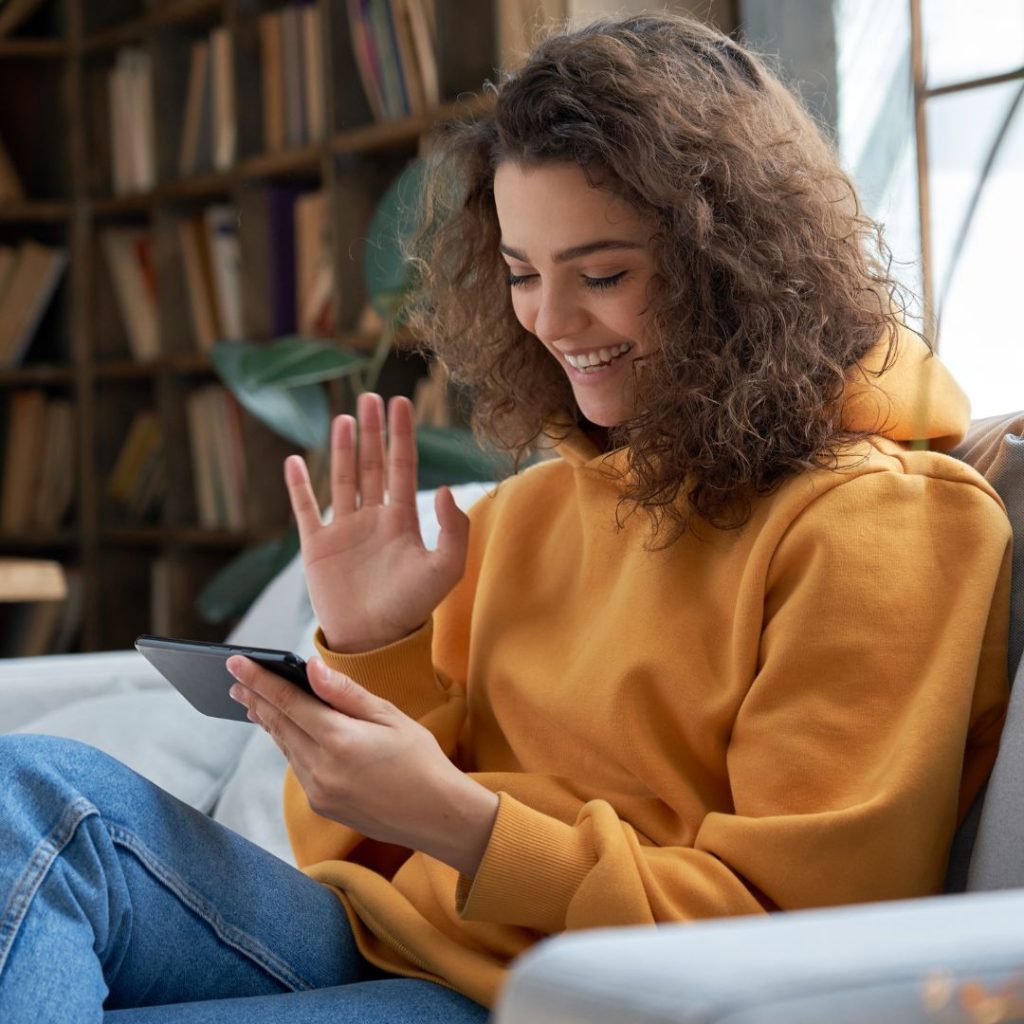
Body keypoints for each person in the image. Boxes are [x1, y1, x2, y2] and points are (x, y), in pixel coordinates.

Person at [0, 12, 1012, 1023]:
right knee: (27, 798)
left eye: (603, 275)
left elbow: (800, 934)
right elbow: (354, 853)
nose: (553, 324)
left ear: (738, 263)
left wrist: (465, 822)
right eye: (523, 274)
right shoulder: (533, 510)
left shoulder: (883, 525)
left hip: (566, 999)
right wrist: (373, 643)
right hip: (388, 944)